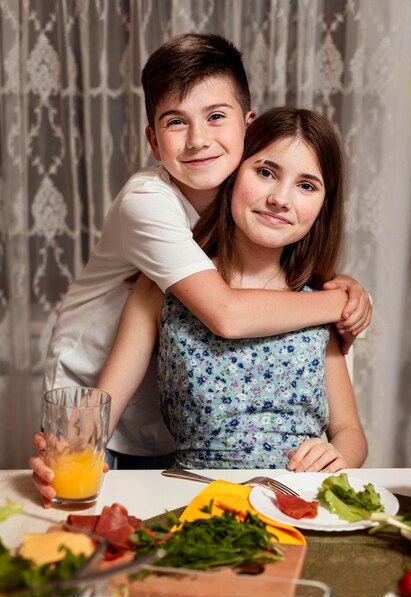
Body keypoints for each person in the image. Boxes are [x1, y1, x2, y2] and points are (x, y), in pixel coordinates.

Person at [40, 33, 371, 476]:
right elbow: (226, 313)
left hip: (173, 427)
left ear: (248, 128)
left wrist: (340, 287)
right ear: (153, 141)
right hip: (98, 396)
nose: (199, 140)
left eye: (216, 116)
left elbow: (348, 430)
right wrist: (339, 302)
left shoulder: (232, 186)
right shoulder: (148, 205)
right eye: (176, 122)